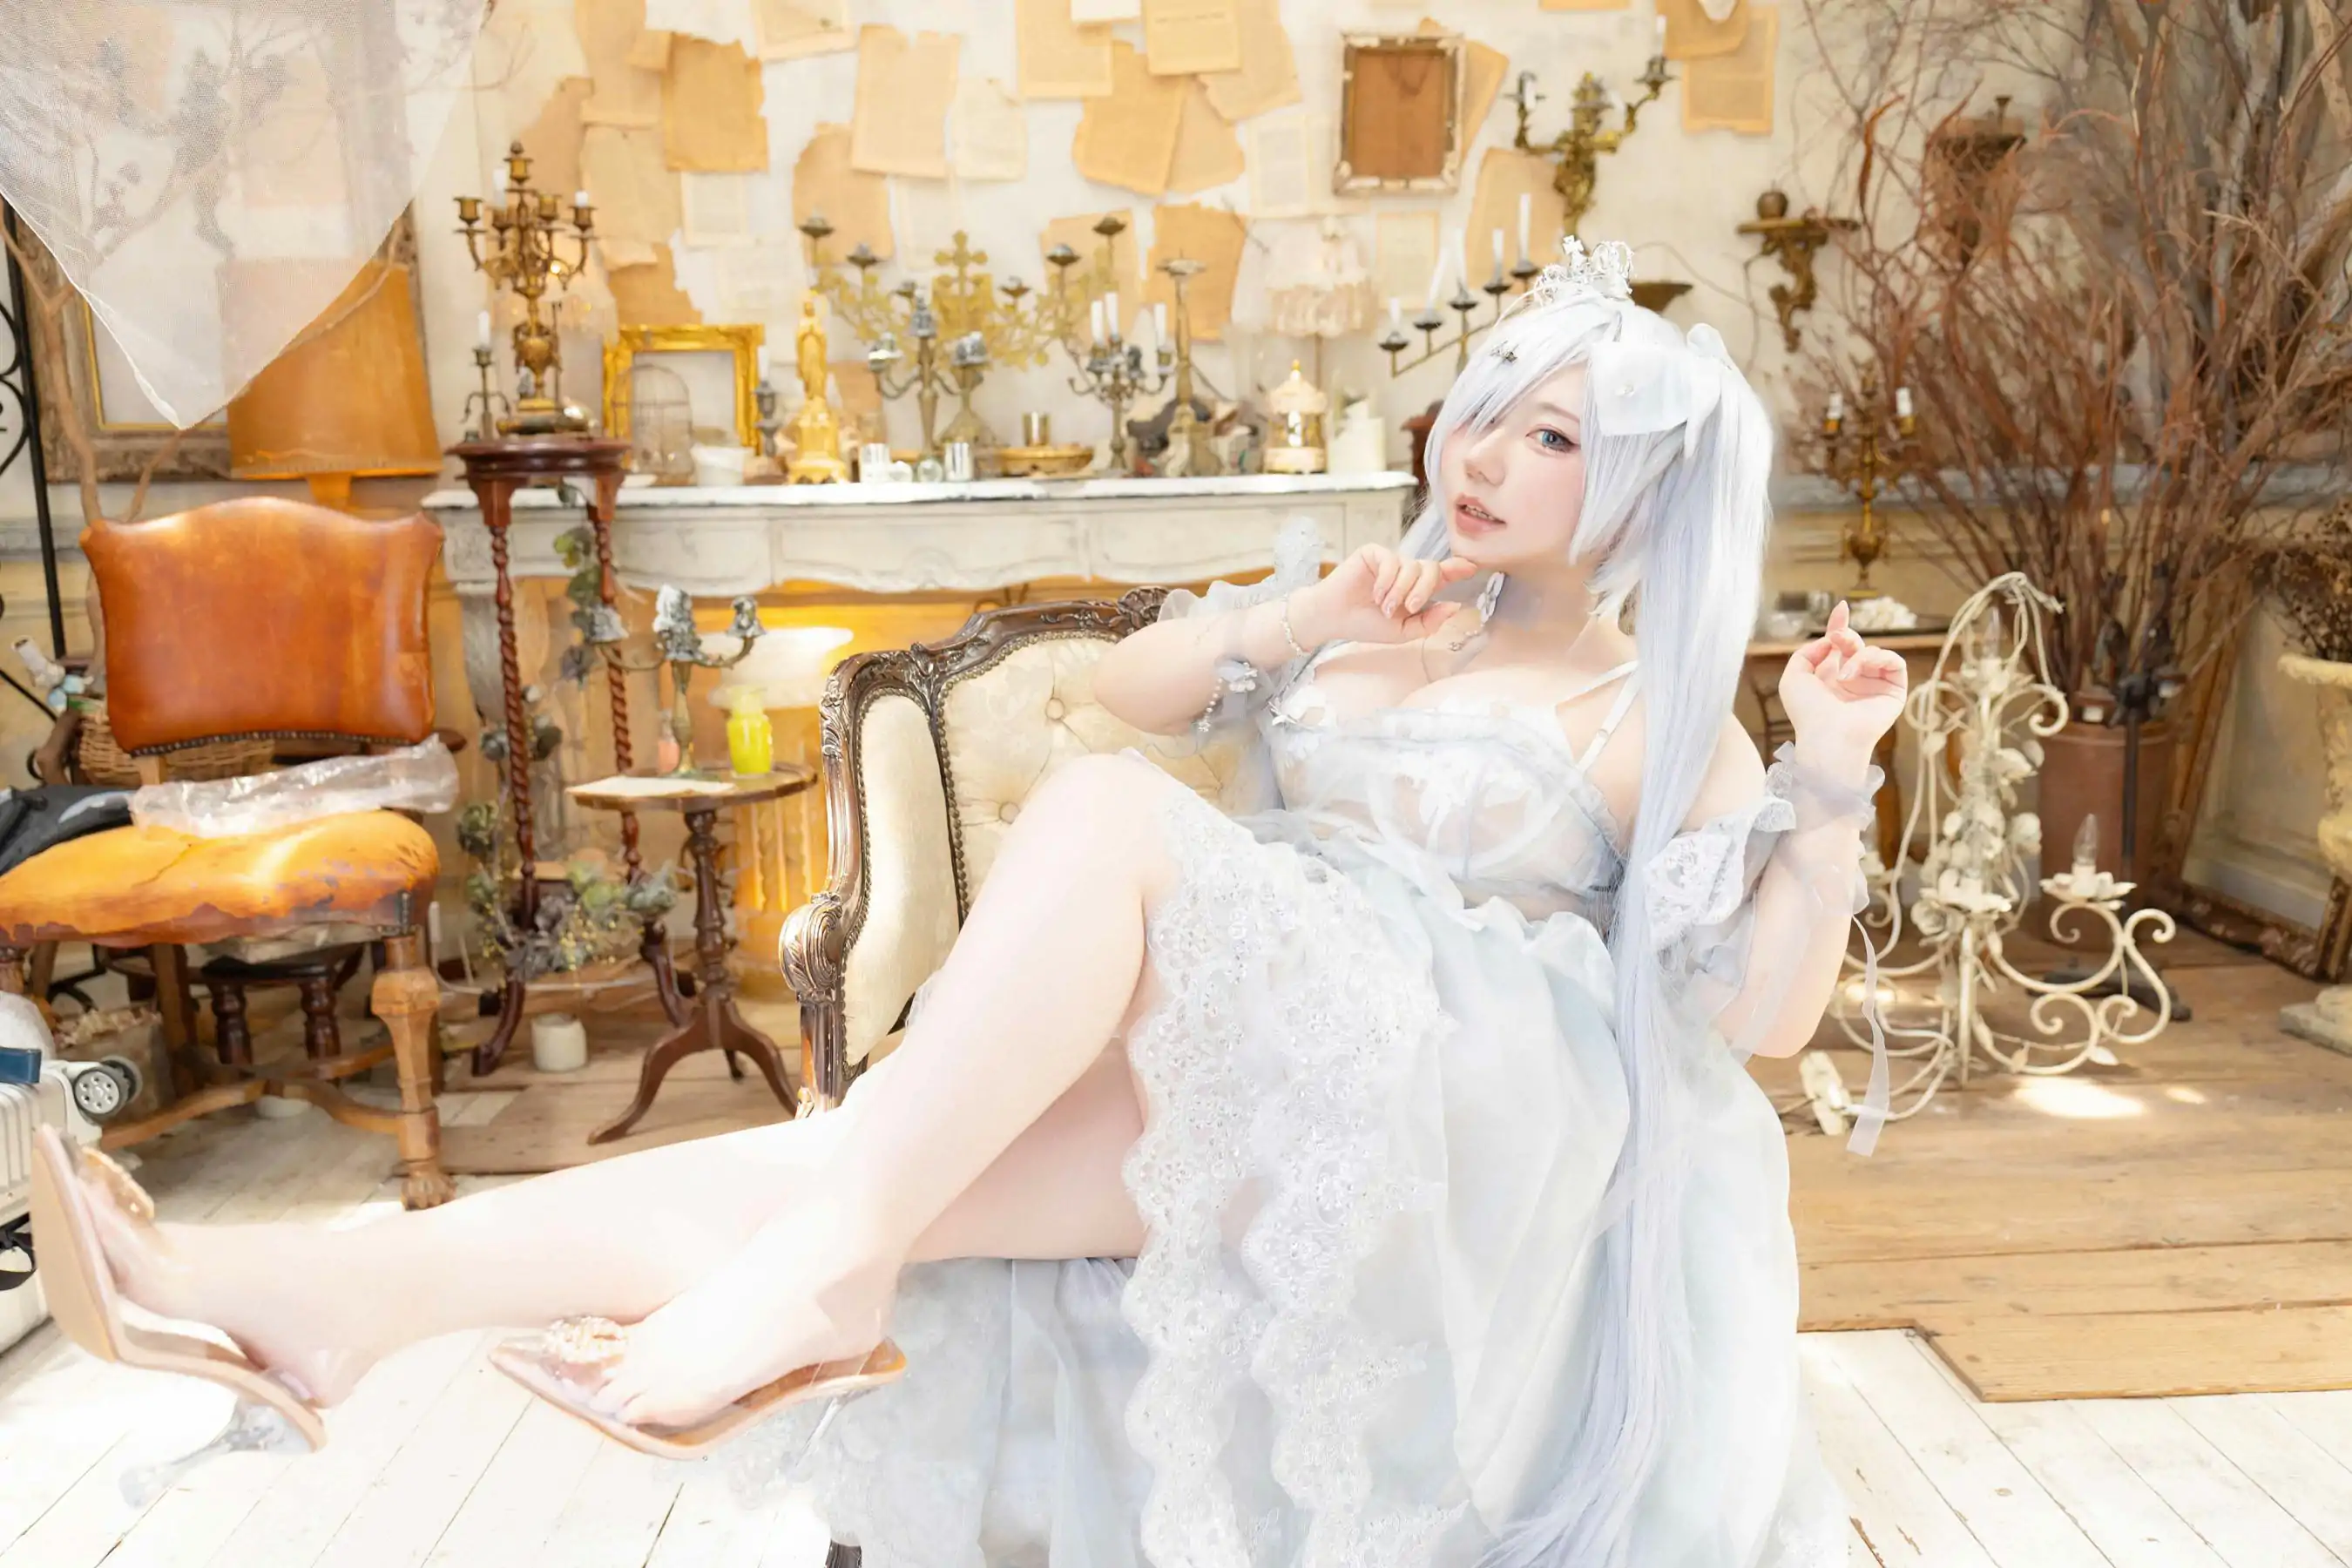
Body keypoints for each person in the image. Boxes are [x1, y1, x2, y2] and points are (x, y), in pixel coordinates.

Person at [40, 240, 1903, 1566]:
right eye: (1485, 414)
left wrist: (1826, 783)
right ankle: (319, 1302)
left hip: (1440, 1106)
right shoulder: (1371, 616)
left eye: (1555, 440)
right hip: (1235, 1053)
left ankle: (811, 1272)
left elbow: (1758, 1022)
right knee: (838, 1169)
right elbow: (1131, 692)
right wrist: (1301, 621)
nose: (1484, 459)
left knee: (1080, 848)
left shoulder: (1649, 714)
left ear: (1644, 489)